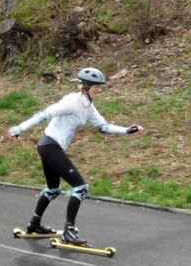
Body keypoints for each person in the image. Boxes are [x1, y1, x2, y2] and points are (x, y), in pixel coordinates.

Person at [9, 67, 143, 246]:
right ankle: (68, 232)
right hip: (50, 145)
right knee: (81, 188)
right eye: (96, 86)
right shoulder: (72, 101)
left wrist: (127, 130)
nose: (99, 90)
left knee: (53, 189)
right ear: (86, 86)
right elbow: (44, 114)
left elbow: (103, 127)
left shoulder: (88, 106)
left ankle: (34, 224)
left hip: (49, 146)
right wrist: (20, 128)